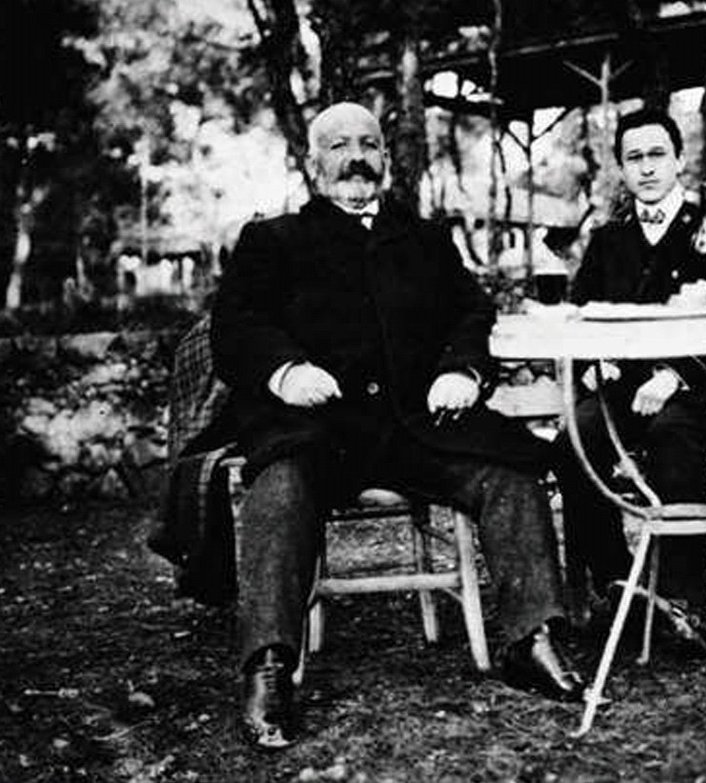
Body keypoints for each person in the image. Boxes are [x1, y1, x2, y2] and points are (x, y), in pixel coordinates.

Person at [212, 102, 583, 749]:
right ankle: (268, 664)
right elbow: (236, 326)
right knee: (277, 488)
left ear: (386, 156)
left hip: (419, 427)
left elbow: (471, 312)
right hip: (322, 429)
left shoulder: (425, 239)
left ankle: (530, 638)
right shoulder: (272, 241)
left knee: (510, 469)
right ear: (313, 159)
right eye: (338, 146)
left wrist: (463, 371)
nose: (355, 157)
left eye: (368, 144)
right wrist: (286, 371)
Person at [554, 108, 706, 656]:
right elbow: (580, 316)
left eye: (657, 154)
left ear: (680, 160)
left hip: (700, 388)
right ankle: (620, 587)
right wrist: (591, 363)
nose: (647, 168)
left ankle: (684, 605)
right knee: (574, 445)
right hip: (621, 390)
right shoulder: (609, 240)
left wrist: (674, 374)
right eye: (633, 158)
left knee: (672, 437)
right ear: (620, 168)